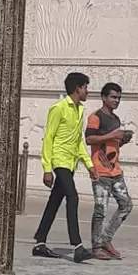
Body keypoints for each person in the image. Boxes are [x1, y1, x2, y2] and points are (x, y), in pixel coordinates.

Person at [33, 71, 93, 262]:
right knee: (73, 197)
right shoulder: (58, 108)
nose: (87, 91)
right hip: (59, 161)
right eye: (85, 87)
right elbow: (48, 138)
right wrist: (47, 168)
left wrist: (89, 165)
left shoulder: (80, 110)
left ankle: (39, 242)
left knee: (54, 201)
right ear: (78, 88)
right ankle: (77, 245)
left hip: (70, 162)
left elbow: (78, 142)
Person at [87, 82, 134, 260]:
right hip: (100, 171)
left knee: (126, 204)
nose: (116, 100)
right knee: (100, 209)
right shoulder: (95, 117)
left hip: (115, 170)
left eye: (119, 98)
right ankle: (96, 246)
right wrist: (113, 135)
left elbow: (111, 143)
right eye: (113, 97)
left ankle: (106, 239)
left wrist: (122, 140)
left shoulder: (115, 119)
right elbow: (90, 139)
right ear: (104, 97)